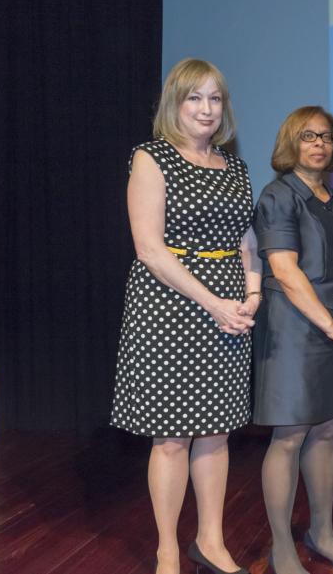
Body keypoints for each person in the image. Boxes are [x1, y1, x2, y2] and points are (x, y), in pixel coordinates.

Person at [111, 58, 261, 574]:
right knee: (172, 437)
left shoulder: (234, 166)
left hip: (230, 310)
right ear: (174, 104)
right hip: (170, 307)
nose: (206, 108)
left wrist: (254, 293)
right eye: (195, 97)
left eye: (215, 98)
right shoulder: (151, 158)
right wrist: (215, 302)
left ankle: (211, 543)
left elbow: (245, 239)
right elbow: (150, 249)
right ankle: (168, 551)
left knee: (217, 432)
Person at [252, 106, 333, 574]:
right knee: (290, 434)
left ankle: (321, 532)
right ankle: (281, 546)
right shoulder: (277, 196)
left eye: (325, 136)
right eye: (307, 136)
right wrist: (331, 325)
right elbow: (283, 268)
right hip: (295, 328)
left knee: (326, 430)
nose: (318, 143)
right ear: (290, 143)